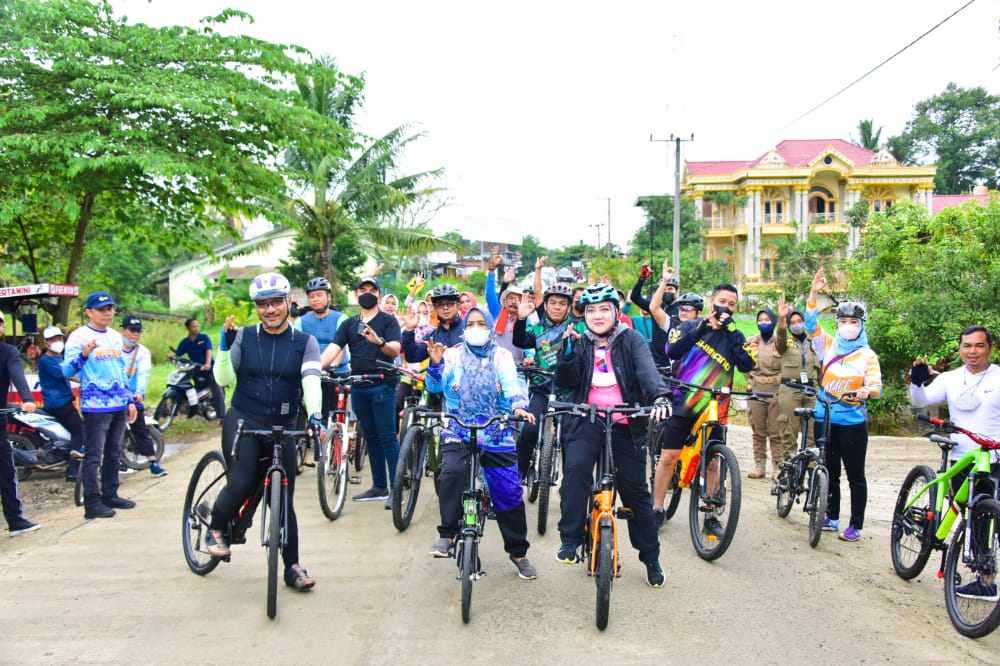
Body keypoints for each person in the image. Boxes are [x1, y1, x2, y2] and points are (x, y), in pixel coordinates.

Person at [205, 272, 325, 591]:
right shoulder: (244, 336)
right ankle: (215, 528)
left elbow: (311, 379)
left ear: (288, 303)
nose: (270, 310)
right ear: (257, 307)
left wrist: (314, 415)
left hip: (282, 427)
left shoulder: (305, 343)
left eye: (275, 302)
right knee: (243, 477)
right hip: (244, 419)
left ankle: (292, 567)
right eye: (263, 304)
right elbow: (222, 379)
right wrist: (223, 348)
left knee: (283, 500)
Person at [554, 284, 671, 588]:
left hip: (626, 423)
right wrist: (565, 354)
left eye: (604, 309)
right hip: (587, 419)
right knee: (576, 471)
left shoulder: (630, 339)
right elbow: (564, 382)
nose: (597, 315)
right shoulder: (579, 341)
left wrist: (660, 397)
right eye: (591, 310)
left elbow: (647, 372)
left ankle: (651, 557)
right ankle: (570, 538)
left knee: (635, 491)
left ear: (616, 312)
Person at [424, 307, 538, 579]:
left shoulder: (502, 356)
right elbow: (434, 388)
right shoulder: (450, 354)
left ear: (489, 326)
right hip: (458, 429)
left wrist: (519, 407)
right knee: (451, 473)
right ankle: (448, 535)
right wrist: (435, 365)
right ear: (464, 327)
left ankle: (518, 552)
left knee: (509, 492)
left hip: (496, 430)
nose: (476, 328)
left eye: (481, 323)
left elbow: (512, 384)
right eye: (471, 323)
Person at [653, 283, 756, 534]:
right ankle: (656, 509)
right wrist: (701, 328)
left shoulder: (735, 335)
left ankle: (710, 514)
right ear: (712, 302)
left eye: (732, 304)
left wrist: (732, 332)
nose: (727, 308)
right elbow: (672, 349)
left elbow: (746, 365)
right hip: (684, 400)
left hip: (715, 406)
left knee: (713, 462)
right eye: (723, 301)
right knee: (669, 457)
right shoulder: (689, 326)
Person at [910, 325, 1000, 600]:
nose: (972, 351)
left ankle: (986, 580)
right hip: (960, 457)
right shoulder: (950, 378)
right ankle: (981, 574)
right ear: (960, 349)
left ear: (990, 349)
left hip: (993, 457)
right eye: (967, 346)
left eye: (979, 346)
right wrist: (916, 382)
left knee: (985, 515)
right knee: (969, 514)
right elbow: (920, 402)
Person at [805, 268, 881, 543]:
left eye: (854, 321)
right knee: (829, 470)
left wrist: (866, 391)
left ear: (861, 324)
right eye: (844, 321)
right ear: (837, 323)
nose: (848, 325)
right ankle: (832, 516)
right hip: (824, 417)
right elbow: (810, 324)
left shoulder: (866, 355)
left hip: (852, 423)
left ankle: (855, 525)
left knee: (855, 475)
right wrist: (814, 292)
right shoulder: (828, 345)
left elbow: (876, 386)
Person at [321, 276, 402, 507]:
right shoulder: (348, 324)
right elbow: (333, 349)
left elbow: (395, 349)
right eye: (362, 289)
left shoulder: (388, 321)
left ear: (378, 294)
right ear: (356, 295)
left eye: (371, 289)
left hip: (383, 385)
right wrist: (314, 368)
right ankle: (379, 486)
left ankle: (397, 491)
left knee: (387, 437)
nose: (367, 292)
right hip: (359, 387)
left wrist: (379, 342)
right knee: (371, 437)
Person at [61, 291, 138, 519]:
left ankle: (110, 493)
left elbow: (121, 371)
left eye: (110, 309)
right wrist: (84, 355)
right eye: (102, 309)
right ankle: (92, 502)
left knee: (114, 451)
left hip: (118, 403)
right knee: (94, 454)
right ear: (89, 312)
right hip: (95, 404)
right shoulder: (78, 337)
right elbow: (66, 371)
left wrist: (129, 400)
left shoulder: (115, 337)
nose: (107, 313)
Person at [512, 280, 579, 477]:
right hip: (542, 390)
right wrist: (522, 319)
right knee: (529, 432)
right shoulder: (538, 329)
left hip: (568, 392)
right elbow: (519, 340)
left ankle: (569, 483)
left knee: (570, 439)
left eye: (562, 303)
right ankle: (519, 475)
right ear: (546, 305)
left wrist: (577, 341)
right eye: (553, 303)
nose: (557, 307)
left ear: (568, 306)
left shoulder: (578, 328)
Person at [1, 317, 41, 536]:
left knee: (6, 471)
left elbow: (18, 376)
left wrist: (27, 399)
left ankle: (15, 520)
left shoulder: (8, 352)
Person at [774, 296, 820, 464]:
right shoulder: (785, 343)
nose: (797, 324)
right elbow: (779, 339)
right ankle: (789, 469)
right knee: (789, 432)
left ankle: (812, 472)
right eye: (792, 322)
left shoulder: (814, 341)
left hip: (811, 391)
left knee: (813, 434)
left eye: (800, 320)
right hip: (790, 390)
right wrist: (781, 318)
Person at [120, 316, 167, 477]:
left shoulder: (142, 352)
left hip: (134, 397)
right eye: (132, 330)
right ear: (123, 331)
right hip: (114, 397)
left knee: (140, 429)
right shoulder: (114, 349)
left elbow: (143, 373)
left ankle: (153, 463)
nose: (135, 334)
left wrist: (139, 392)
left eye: (138, 331)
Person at [37, 325, 85, 482]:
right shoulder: (46, 360)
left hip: (61, 401)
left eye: (59, 338)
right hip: (59, 403)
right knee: (80, 431)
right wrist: (90, 380)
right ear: (46, 343)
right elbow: (67, 374)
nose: (57, 341)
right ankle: (73, 472)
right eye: (53, 339)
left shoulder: (58, 358)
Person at [746, 307, 784, 480]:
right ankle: (759, 465)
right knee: (758, 430)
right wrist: (748, 380)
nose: (763, 323)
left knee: (776, 432)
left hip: (776, 391)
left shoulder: (781, 343)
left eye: (767, 320)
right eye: (760, 320)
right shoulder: (751, 342)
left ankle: (778, 466)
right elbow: (742, 362)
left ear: (773, 322)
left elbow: (790, 363)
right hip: (756, 390)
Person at [171, 318, 226, 421]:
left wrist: (208, 363)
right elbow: (179, 353)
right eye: (193, 326)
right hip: (195, 368)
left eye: (197, 326)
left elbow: (208, 350)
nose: (196, 328)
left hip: (209, 369)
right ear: (188, 328)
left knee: (216, 390)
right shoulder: (185, 342)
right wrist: (172, 355)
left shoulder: (204, 337)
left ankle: (222, 416)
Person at [636, 261, 680, 367]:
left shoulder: (683, 310)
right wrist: (642, 279)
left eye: (670, 289)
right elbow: (635, 297)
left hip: (676, 362)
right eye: (664, 289)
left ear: (677, 291)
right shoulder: (656, 308)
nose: (667, 291)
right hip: (656, 363)